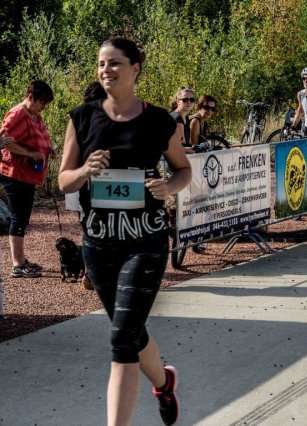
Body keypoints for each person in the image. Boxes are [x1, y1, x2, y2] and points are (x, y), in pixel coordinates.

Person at [58, 37, 191, 426]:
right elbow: (63, 180)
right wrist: (85, 171)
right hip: (99, 246)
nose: (105, 71)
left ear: (135, 69)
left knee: (121, 340)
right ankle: (164, 383)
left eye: (114, 63)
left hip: (145, 243)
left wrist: (169, 188)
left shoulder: (158, 122)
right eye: (101, 64)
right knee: (128, 330)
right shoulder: (82, 118)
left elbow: (182, 170)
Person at [0, 80, 55, 278]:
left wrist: (49, 150)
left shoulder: (34, 115)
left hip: (28, 174)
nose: (43, 107)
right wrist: (31, 154)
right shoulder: (17, 114)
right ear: (31, 97)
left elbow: (40, 140)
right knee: (18, 216)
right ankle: (17, 264)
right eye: (42, 102)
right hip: (14, 173)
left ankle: (21, 259)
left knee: (23, 217)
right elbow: (5, 142)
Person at [169, 86, 196, 154]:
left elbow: (188, 142)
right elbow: (182, 146)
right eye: (185, 100)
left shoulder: (185, 117)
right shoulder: (177, 118)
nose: (189, 102)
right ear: (178, 101)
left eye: (192, 100)